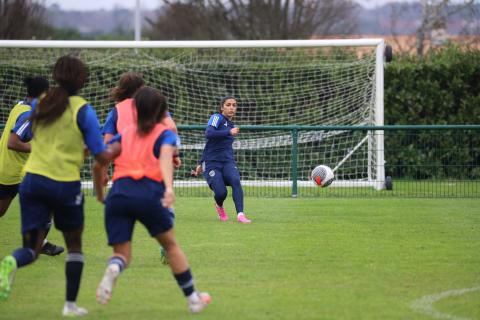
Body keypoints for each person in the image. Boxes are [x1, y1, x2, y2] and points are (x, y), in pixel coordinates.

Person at [0, 56, 118, 317]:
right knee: (74, 246)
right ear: (81, 79)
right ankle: (70, 306)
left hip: (32, 182)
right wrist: (116, 146)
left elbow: (39, 140)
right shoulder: (82, 109)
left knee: (31, 248)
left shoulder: (40, 104)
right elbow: (100, 155)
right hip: (63, 184)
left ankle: (11, 261)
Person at [92, 87, 210, 313]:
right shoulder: (164, 133)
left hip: (119, 195)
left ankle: (114, 268)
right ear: (161, 111)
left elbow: (100, 162)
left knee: (121, 254)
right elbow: (166, 155)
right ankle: (193, 298)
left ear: (136, 110)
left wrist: (100, 194)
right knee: (171, 246)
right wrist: (168, 187)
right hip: (147, 194)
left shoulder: (125, 133)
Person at [102, 72, 180, 264]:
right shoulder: (152, 104)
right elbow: (171, 127)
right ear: (142, 88)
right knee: (165, 203)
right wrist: (174, 153)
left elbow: (107, 143)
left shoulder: (117, 110)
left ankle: (118, 260)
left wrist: (103, 171)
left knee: (124, 215)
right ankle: (166, 246)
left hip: (125, 170)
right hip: (153, 165)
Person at [0, 76, 64, 256]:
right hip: (13, 171)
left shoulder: (20, 105)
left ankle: (39, 243)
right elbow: (12, 142)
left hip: (11, 168)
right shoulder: (28, 113)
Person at [191, 96, 251, 223]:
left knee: (235, 180)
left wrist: (229, 131)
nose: (231, 107)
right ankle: (219, 206)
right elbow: (209, 134)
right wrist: (201, 164)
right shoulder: (216, 118)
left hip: (228, 161)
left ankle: (241, 215)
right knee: (221, 193)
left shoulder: (231, 125)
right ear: (222, 107)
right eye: (228, 105)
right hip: (212, 163)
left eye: (234, 105)